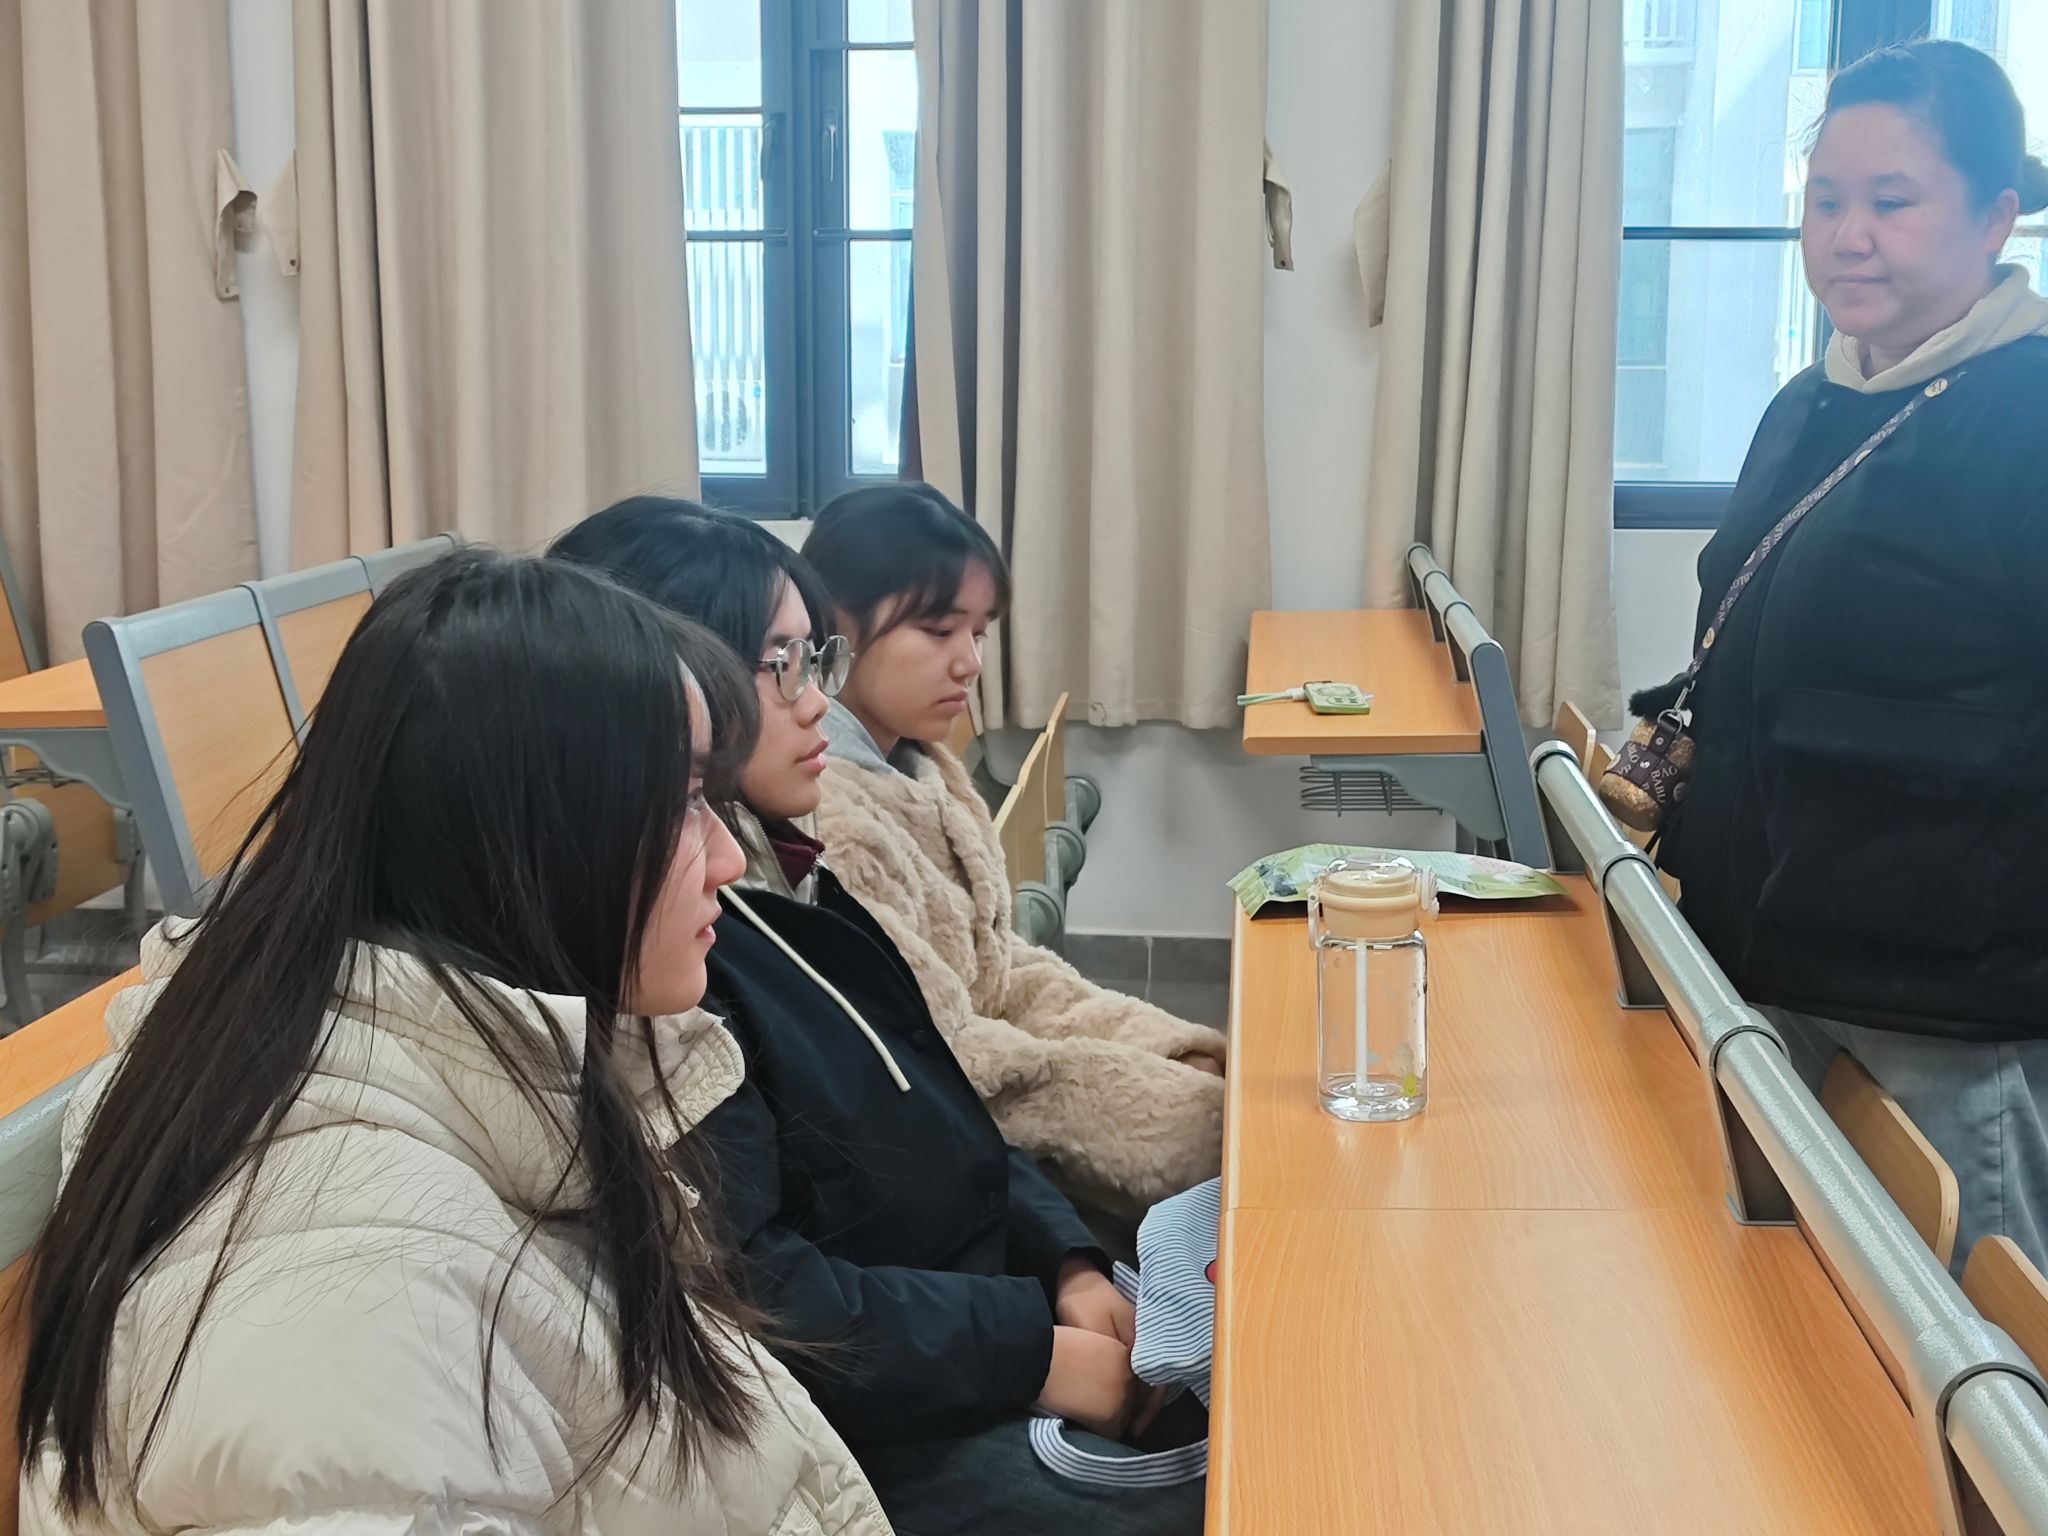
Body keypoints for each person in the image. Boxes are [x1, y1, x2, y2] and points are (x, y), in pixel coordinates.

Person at [15, 549, 892, 1536]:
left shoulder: (486, 1079)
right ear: (532, 835)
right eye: (687, 802)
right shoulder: (348, 1285)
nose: (730, 858)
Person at [551, 500, 1205, 1536]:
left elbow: (949, 1109)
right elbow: (766, 1297)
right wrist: (1034, 1346)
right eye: (781, 667)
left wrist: (1068, 1263)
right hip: (896, 1417)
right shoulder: (675, 961)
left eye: (814, 659)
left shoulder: (793, 871)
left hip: (983, 1319)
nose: (818, 701)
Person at [1634, 39, 2048, 1273]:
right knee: (1787, 1318)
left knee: (1972, 1349)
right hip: (1762, 954)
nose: (1845, 237)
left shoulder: (2025, 415)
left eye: (1889, 201)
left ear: (1992, 219)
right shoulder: (1809, 399)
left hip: (1940, 1002)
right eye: (1824, 201)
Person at [799, 484, 1224, 1222]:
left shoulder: (919, 764)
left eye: (979, 632)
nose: (969, 662)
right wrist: (1187, 1110)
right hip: (957, 1176)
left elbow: (1002, 971)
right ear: (835, 627)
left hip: (1007, 1117)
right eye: (939, 631)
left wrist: (1167, 1047)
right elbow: (946, 1063)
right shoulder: (827, 818)